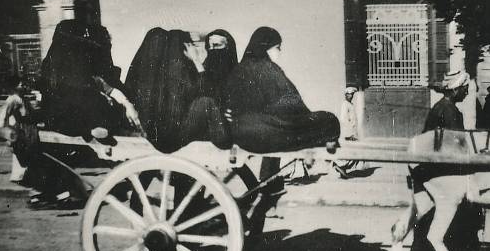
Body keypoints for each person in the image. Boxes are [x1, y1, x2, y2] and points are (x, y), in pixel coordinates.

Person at [222, 26, 340, 199]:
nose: (280, 51)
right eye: (278, 47)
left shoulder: (238, 69)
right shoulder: (269, 69)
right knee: (329, 119)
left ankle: (269, 186)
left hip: (241, 133)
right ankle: (271, 187)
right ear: (267, 47)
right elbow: (293, 104)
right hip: (265, 132)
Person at [411, 70, 484, 251]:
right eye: (465, 89)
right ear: (456, 89)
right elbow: (458, 146)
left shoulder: (443, 107)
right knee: (465, 210)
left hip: (434, 165)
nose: (467, 92)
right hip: (439, 168)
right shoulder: (449, 111)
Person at [125, 27, 238, 152]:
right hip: (198, 130)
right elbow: (201, 93)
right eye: (209, 46)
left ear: (229, 46)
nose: (212, 49)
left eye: (217, 45)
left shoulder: (237, 73)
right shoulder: (204, 66)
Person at [40, 19, 141, 139]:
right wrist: (88, 130)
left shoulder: (86, 75)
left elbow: (108, 88)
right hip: (80, 129)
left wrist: (127, 104)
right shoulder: (55, 78)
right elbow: (57, 116)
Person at [0, 77, 30, 182]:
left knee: (23, 150)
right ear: (14, 87)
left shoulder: (23, 98)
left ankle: (22, 175)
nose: (23, 86)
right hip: (16, 128)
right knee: (19, 151)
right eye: (21, 84)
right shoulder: (12, 99)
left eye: (24, 84)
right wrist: (1, 129)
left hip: (24, 127)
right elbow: (5, 113)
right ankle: (18, 175)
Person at [332, 86, 364, 179]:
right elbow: (344, 119)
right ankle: (338, 165)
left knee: (352, 152)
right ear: (345, 95)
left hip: (353, 132)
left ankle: (341, 169)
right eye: (349, 94)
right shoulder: (345, 105)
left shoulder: (351, 105)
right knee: (352, 152)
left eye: (352, 94)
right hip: (348, 133)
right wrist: (349, 134)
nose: (351, 96)